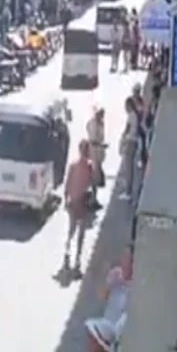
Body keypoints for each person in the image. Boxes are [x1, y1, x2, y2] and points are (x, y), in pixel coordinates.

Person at [64, 139, 95, 277]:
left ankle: (68, 249)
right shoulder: (89, 166)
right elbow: (92, 183)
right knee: (81, 231)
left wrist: (66, 198)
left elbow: (67, 182)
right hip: (83, 201)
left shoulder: (73, 166)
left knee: (72, 228)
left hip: (73, 200)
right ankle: (77, 257)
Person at [86, 108, 107, 210]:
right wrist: (101, 145)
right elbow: (93, 140)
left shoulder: (100, 123)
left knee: (96, 177)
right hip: (94, 154)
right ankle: (92, 200)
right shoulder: (93, 124)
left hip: (98, 154)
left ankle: (94, 199)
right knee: (95, 177)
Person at [118, 98, 138, 201]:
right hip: (134, 142)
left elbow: (127, 130)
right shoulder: (135, 115)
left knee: (128, 167)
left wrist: (122, 139)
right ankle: (128, 190)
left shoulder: (131, 116)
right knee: (129, 167)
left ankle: (128, 192)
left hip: (130, 142)